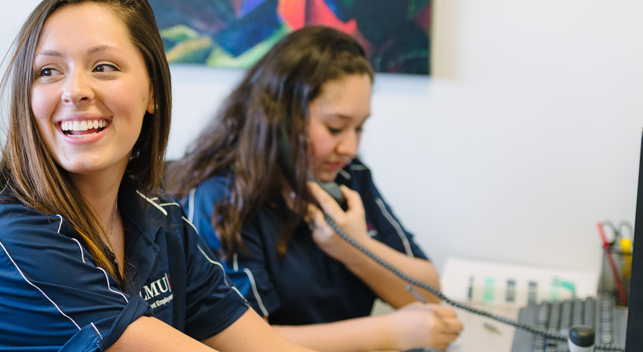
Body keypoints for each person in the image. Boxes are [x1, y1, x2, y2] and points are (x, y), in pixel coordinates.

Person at [0, 0, 318, 351]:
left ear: (153, 93)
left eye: (104, 67)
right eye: (48, 71)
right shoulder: (7, 239)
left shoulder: (159, 219)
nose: (75, 91)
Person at [166, 26, 464, 352]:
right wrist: (388, 333)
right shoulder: (219, 199)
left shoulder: (349, 178)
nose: (349, 147)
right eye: (335, 127)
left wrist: (354, 248)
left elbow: (429, 294)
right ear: (281, 117)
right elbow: (239, 341)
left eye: (359, 128)